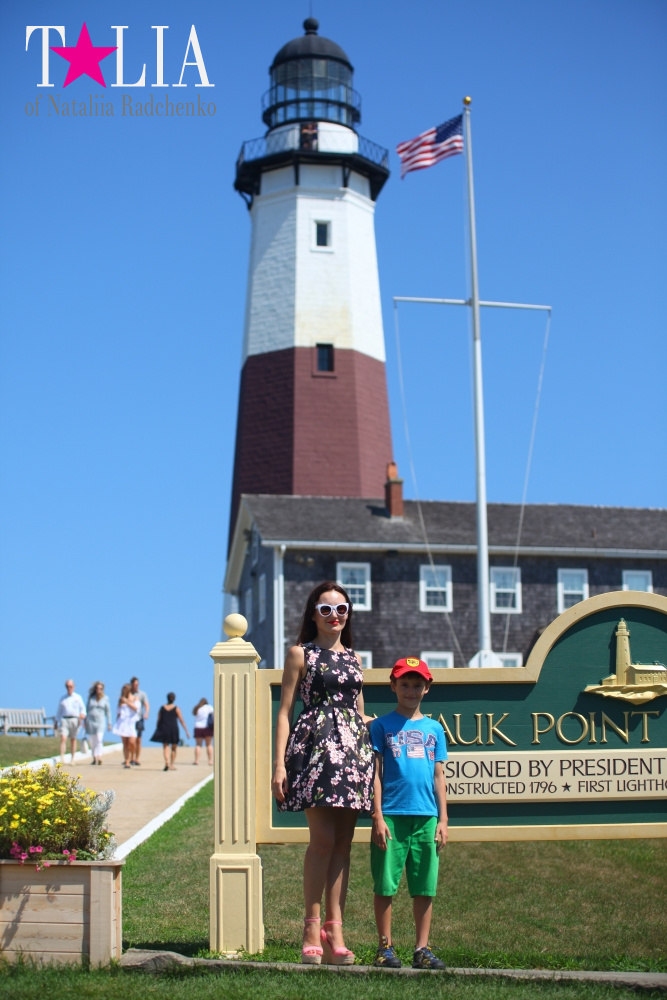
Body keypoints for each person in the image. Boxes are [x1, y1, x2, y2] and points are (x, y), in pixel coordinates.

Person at [271, 581, 374, 966]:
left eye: (342, 609)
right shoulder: (301, 654)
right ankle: (311, 927)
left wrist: (372, 725)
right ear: (313, 613)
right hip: (315, 750)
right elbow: (284, 712)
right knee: (323, 841)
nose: (335, 617)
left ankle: (336, 931)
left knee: (344, 844)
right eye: (326, 609)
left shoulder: (355, 659)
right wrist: (279, 764)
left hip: (353, 753)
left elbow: (358, 710)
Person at [370, 657, 448, 970]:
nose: (411, 690)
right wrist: (377, 815)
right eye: (404, 684)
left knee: (425, 886)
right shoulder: (381, 726)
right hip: (390, 814)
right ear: (393, 686)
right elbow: (374, 773)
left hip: (427, 816)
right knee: (385, 884)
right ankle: (385, 947)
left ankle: (422, 948)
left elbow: (439, 775)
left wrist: (443, 820)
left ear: (427, 688)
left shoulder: (434, 729)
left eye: (417, 684)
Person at [150, 693, 190, 770]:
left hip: (164, 728)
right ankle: (171, 764)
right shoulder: (176, 708)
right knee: (174, 747)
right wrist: (186, 731)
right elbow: (181, 720)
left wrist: (158, 728)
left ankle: (167, 762)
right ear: (174, 699)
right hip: (173, 729)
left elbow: (159, 719)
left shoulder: (162, 708)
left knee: (165, 746)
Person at [56, 679, 86, 764]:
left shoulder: (78, 697)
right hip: (64, 719)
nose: (69, 688)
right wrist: (56, 721)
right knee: (63, 738)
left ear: (74, 687)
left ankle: (72, 759)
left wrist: (82, 715)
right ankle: (62, 757)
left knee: (73, 739)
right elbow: (59, 711)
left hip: (75, 720)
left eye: (71, 686)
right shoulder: (63, 698)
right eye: (67, 687)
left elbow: (83, 709)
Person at [112, 683, 140, 769]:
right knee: (125, 743)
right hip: (123, 723)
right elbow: (118, 711)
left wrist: (127, 702)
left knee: (132, 742)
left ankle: (132, 756)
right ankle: (127, 761)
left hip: (131, 723)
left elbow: (136, 708)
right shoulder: (121, 700)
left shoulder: (135, 698)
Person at [86, 681, 112, 764]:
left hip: (100, 721)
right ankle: (94, 757)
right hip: (90, 722)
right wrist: (84, 721)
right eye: (97, 688)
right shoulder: (91, 698)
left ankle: (99, 756)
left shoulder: (105, 698)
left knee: (99, 739)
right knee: (92, 740)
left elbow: (108, 711)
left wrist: (109, 723)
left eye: (100, 688)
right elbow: (87, 710)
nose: (99, 690)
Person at [129, 676, 150, 766]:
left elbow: (146, 704)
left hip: (139, 718)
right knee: (130, 740)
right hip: (129, 719)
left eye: (137, 684)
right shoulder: (128, 693)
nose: (135, 686)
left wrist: (146, 713)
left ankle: (137, 758)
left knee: (138, 739)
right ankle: (131, 757)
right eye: (134, 684)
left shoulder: (142, 694)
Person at [192, 697, 214, 765]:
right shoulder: (209, 707)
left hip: (198, 727)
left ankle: (197, 760)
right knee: (209, 744)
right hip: (207, 727)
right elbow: (213, 716)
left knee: (198, 745)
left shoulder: (198, 708)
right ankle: (210, 760)